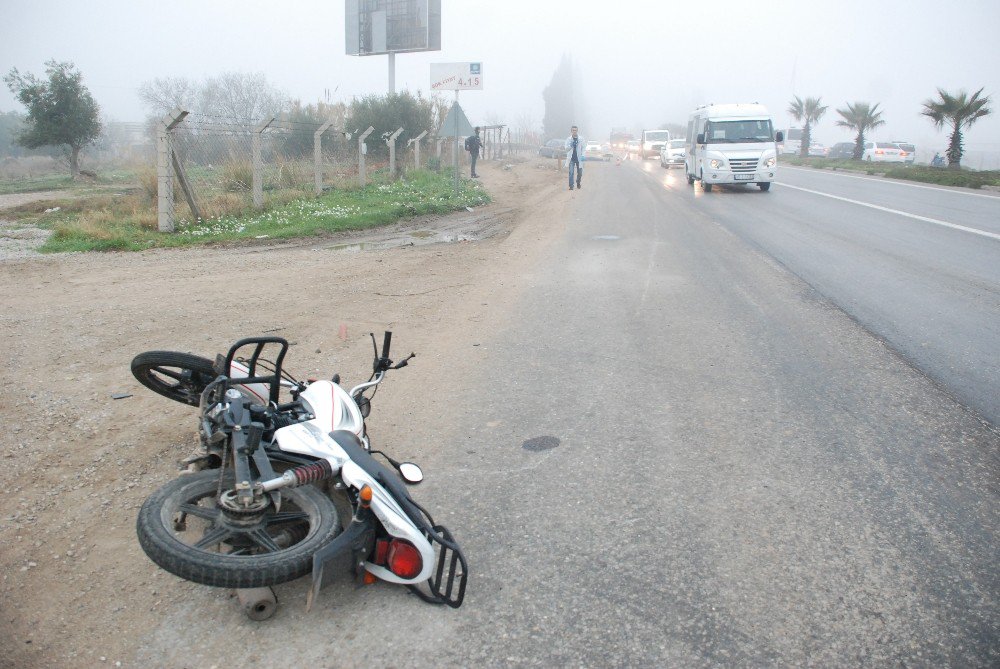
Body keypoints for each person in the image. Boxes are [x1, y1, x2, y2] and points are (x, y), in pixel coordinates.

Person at [565, 125, 585, 190]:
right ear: (571, 131)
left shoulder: (581, 139)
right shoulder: (568, 139)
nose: (574, 131)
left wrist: (583, 155)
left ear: (577, 131)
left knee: (580, 173)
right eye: (573, 130)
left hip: (579, 158)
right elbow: (566, 149)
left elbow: (583, 148)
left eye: (575, 130)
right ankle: (571, 186)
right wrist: (571, 145)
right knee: (571, 172)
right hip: (571, 159)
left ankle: (578, 182)